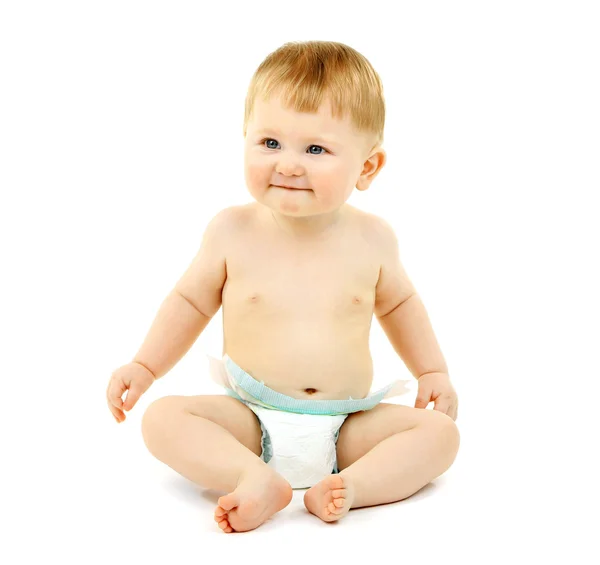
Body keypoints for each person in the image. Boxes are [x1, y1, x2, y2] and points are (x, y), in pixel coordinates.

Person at [106, 40, 460, 534]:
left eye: (316, 149)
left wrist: (431, 371)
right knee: (163, 420)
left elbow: (401, 305)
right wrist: (145, 365)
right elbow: (189, 301)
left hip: (347, 428)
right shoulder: (232, 231)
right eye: (270, 143)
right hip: (252, 419)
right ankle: (252, 476)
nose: (289, 164)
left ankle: (351, 486)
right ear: (245, 138)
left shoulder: (373, 238)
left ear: (367, 167)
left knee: (439, 435)